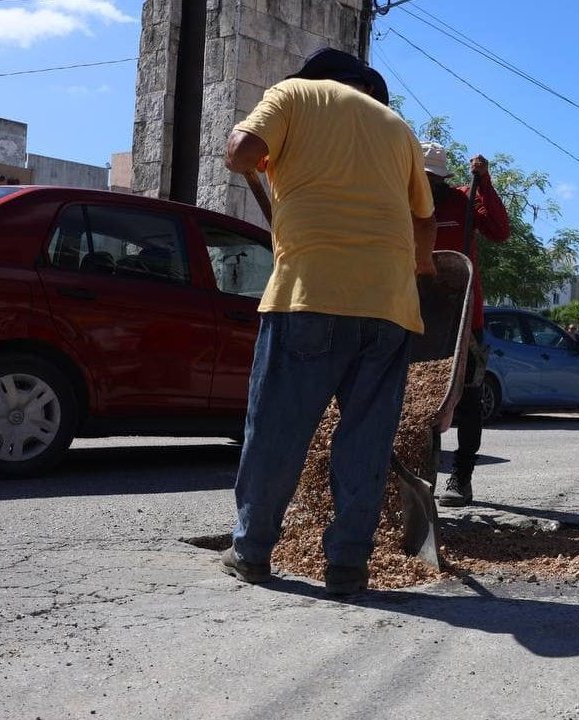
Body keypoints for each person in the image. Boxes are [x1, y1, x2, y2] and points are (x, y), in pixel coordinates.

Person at [220, 47, 436, 595]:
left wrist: (246, 150)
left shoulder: (293, 94)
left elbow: (242, 154)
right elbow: (425, 227)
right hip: (389, 308)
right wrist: (417, 266)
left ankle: (251, 552)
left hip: (309, 295)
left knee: (277, 430)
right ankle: (348, 565)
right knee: (365, 439)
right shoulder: (400, 128)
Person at [421, 142, 511, 507]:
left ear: (443, 180)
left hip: (463, 319)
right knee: (421, 401)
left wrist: (485, 182)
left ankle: (461, 477)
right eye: (420, 178)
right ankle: (421, 473)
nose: (425, 185)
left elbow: (500, 231)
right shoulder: (406, 203)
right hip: (420, 314)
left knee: (469, 401)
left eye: (431, 179)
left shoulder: (463, 200)